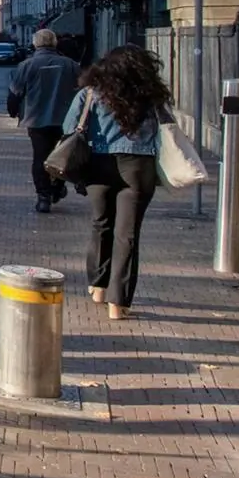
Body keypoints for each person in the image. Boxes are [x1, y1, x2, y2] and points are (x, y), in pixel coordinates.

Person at [64, 45, 171, 319]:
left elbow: (69, 127)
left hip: (99, 164)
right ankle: (118, 303)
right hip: (138, 165)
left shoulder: (91, 93)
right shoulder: (150, 96)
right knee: (128, 234)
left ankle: (98, 287)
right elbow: (167, 128)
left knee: (101, 224)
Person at [9, 28, 80, 213]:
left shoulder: (26, 65)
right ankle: (57, 187)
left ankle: (43, 197)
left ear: (35, 43)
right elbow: (82, 91)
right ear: (55, 43)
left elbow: (15, 92)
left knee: (40, 157)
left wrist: (13, 110)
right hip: (65, 120)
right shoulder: (70, 64)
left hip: (37, 119)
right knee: (63, 155)